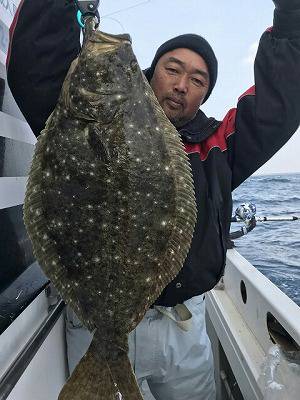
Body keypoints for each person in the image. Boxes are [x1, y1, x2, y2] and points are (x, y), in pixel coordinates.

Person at [7, 1, 300, 399]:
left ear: (204, 95)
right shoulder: (76, 117)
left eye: (198, 80)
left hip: (180, 331)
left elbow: (276, 107)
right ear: (148, 74)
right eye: (173, 69)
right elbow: (35, 65)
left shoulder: (216, 147)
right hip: (92, 321)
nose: (182, 84)